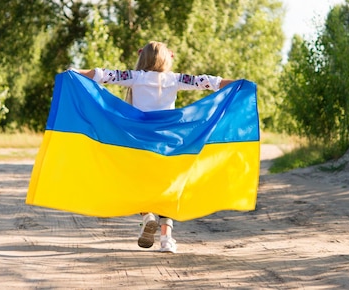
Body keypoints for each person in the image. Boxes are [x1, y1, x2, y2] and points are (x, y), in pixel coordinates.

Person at [72, 41, 234, 253]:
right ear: (167, 59)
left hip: (138, 143)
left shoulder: (135, 77)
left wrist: (74, 71)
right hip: (169, 143)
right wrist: (241, 83)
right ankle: (167, 240)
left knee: (139, 184)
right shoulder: (175, 79)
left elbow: (100, 75)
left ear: (143, 58)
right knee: (167, 189)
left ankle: (147, 216)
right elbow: (210, 82)